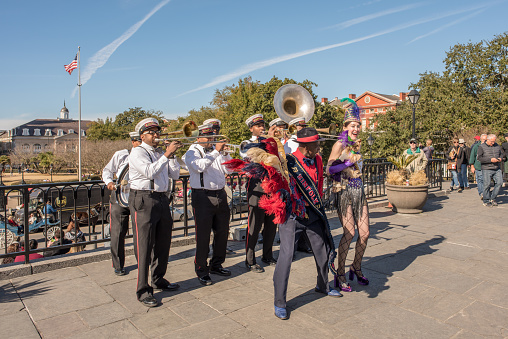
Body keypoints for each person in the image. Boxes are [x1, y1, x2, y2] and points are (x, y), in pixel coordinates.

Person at [129, 117, 182, 307]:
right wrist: (167, 154)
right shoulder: (137, 152)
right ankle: (143, 289)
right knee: (144, 246)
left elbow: (175, 175)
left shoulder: (161, 152)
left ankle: (159, 279)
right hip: (143, 199)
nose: (156, 135)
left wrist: (172, 156)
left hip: (161, 199)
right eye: (151, 132)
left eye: (157, 131)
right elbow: (149, 172)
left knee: (163, 242)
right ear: (142, 135)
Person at [326, 98, 370, 293]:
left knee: (365, 233)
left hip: (359, 191)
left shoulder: (357, 144)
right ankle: (340, 273)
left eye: (358, 125)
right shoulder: (339, 144)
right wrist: (347, 163)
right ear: (345, 127)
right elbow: (329, 168)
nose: (356, 128)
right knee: (349, 233)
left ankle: (356, 267)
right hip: (344, 192)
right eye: (353, 125)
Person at [183, 122, 232, 286]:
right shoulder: (191, 152)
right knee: (203, 236)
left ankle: (216, 265)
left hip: (220, 194)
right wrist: (217, 151)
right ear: (198, 138)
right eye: (208, 137)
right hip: (202, 196)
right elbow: (199, 167)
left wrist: (224, 154)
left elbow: (230, 170)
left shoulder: (215, 152)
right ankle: (201, 270)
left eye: (213, 136)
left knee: (222, 233)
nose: (212, 139)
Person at [241, 114, 278, 273]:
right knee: (254, 227)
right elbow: (253, 155)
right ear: (251, 128)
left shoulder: (270, 142)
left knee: (271, 227)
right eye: (259, 126)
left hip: (272, 188)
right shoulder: (246, 144)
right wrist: (268, 140)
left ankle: (267, 256)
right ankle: (250, 260)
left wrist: (274, 142)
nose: (262, 128)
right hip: (257, 188)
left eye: (263, 125)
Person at [102, 131, 142, 276]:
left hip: (138, 196)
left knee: (141, 232)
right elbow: (107, 170)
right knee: (118, 232)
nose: (141, 145)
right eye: (139, 142)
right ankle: (118, 264)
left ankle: (143, 262)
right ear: (133, 142)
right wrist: (109, 182)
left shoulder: (148, 156)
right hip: (120, 196)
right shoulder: (121, 154)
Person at [477, 134, 505, 207]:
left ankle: (493, 198)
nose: (493, 143)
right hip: (486, 168)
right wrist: (490, 160)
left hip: (497, 167)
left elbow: (502, 154)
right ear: (487, 140)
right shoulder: (481, 147)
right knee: (487, 184)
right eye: (491, 142)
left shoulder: (497, 146)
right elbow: (479, 158)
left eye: (494, 141)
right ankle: (486, 200)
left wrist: (500, 158)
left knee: (499, 182)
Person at [470, 134, 487, 199]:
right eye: (483, 140)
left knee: (485, 180)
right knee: (480, 179)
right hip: (478, 165)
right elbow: (472, 156)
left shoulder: (489, 146)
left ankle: (485, 192)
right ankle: (481, 193)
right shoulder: (476, 146)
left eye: (486, 140)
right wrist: (472, 166)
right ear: (480, 140)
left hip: (486, 166)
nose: (484, 141)